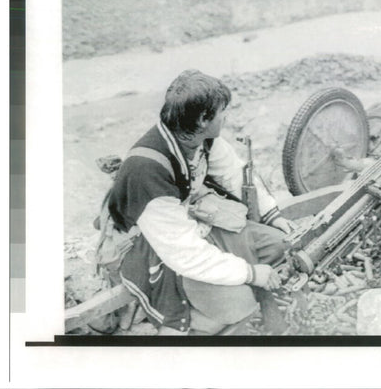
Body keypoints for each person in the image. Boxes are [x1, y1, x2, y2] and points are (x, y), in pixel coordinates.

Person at [107, 69, 294, 335]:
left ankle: (233, 277)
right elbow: (184, 253)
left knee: (280, 245)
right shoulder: (146, 171)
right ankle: (191, 316)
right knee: (238, 306)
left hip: (189, 223)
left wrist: (273, 216)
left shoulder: (198, 137)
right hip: (150, 245)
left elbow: (234, 174)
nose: (226, 116)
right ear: (204, 119)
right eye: (222, 111)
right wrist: (251, 274)